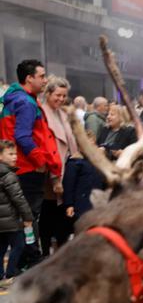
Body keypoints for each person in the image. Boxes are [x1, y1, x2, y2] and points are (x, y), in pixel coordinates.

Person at [0, 59, 63, 269]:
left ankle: (22, 260)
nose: (45, 80)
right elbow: (23, 136)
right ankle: (31, 258)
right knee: (29, 216)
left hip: (16, 167)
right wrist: (41, 161)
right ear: (29, 78)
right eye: (42, 76)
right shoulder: (26, 102)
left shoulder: (13, 99)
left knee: (18, 217)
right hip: (27, 169)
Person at [40, 76, 77, 255]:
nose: (61, 99)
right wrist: (55, 177)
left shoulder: (63, 114)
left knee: (62, 214)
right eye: (57, 95)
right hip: (50, 172)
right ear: (48, 93)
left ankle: (60, 250)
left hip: (64, 168)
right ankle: (45, 251)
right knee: (48, 213)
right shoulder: (42, 113)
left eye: (64, 96)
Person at [0, 139, 34, 286]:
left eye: (15, 154)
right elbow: (18, 198)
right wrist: (28, 217)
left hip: (2, 220)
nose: (15, 157)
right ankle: (10, 274)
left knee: (1, 248)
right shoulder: (8, 175)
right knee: (19, 245)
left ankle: (1, 276)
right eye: (10, 154)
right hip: (11, 219)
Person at [62, 130, 104, 221]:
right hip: (81, 206)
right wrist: (69, 205)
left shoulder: (98, 162)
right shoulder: (74, 163)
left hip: (96, 205)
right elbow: (68, 185)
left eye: (93, 145)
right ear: (80, 147)